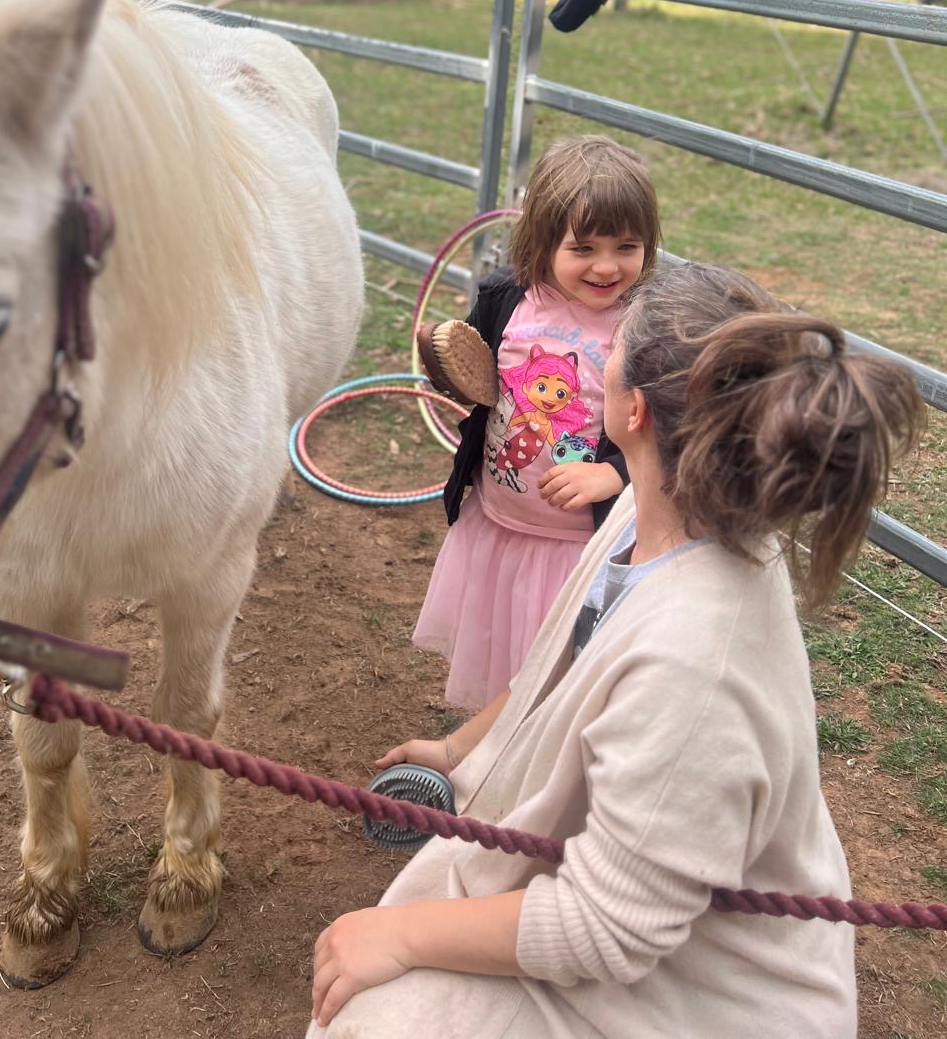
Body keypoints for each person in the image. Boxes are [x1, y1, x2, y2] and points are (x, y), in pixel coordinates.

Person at [308, 262, 922, 1038]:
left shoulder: (694, 667)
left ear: (631, 410)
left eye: (614, 344)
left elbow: (610, 927)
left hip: (710, 994)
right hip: (640, 916)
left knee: (370, 1017)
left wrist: (394, 933)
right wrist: (459, 749)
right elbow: (562, 669)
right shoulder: (650, 509)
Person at [413, 135, 661, 707]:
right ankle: (496, 741)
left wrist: (616, 475)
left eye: (627, 246)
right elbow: (480, 378)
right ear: (544, 240)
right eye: (584, 248)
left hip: (577, 545)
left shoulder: (646, 328)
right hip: (500, 521)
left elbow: (673, 424)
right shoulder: (506, 299)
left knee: (564, 674)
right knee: (504, 651)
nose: (607, 266)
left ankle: (538, 753)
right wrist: (451, 374)